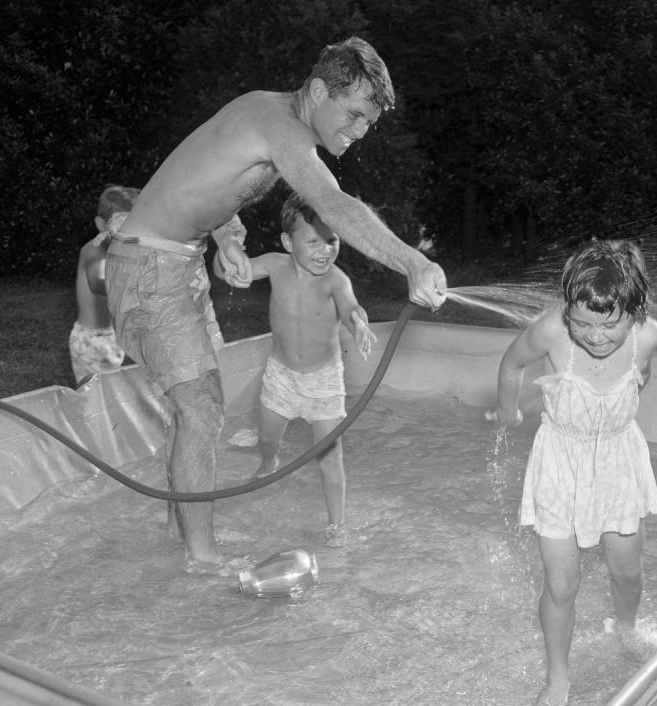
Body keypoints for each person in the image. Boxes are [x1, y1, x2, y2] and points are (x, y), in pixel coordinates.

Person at [104, 37, 447, 571]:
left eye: (369, 123)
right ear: (316, 91)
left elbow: (208, 183)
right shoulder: (279, 123)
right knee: (200, 409)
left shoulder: (264, 116)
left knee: (194, 407)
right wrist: (413, 263)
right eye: (354, 113)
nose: (360, 131)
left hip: (173, 263)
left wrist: (228, 240)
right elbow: (333, 205)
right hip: (151, 269)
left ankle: (183, 533)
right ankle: (199, 555)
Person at [491, 239, 657, 706]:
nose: (596, 336)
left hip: (616, 461)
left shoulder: (649, 337)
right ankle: (558, 675)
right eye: (582, 323)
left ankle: (625, 628)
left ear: (635, 310)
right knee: (562, 584)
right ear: (567, 309)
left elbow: (642, 376)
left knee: (626, 569)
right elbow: (511, 362)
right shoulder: (551, 331)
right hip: (559, 466)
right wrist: (508, 410)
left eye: (610, 325)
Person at [216, 193, 375, 548]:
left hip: (323, 382)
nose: (324, 250)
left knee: (329, 457)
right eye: (313, 241)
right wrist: (227, 255)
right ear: (289, 242)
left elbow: (352, 308)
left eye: (331, 240)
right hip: (282, 376)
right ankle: (269, 461)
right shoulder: (275, 265)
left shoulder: (336, 280)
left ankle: (337, 524)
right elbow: (236, 269)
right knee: (269, 435)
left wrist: (359, 325)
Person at [70, 185, 139, 386]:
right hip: (92, 340)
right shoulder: (94, 250)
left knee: (104, 393)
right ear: (102, 224)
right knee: (100, 394)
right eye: (121, 224)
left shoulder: (121, 246)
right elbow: (100, 284)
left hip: (109, 336)